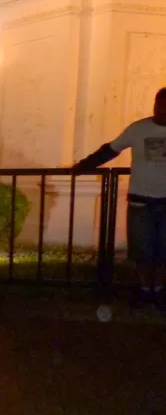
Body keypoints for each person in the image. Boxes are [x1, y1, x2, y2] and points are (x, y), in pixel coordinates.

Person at [74, 87, 166, 307]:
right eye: (160, 106)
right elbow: (111, 150)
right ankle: (145, 290)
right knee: (142, 251)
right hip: (140, 200)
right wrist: (84, 165)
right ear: (155, 105)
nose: (162, 110)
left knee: (164, 252)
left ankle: (159, 290)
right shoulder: (138, 129)